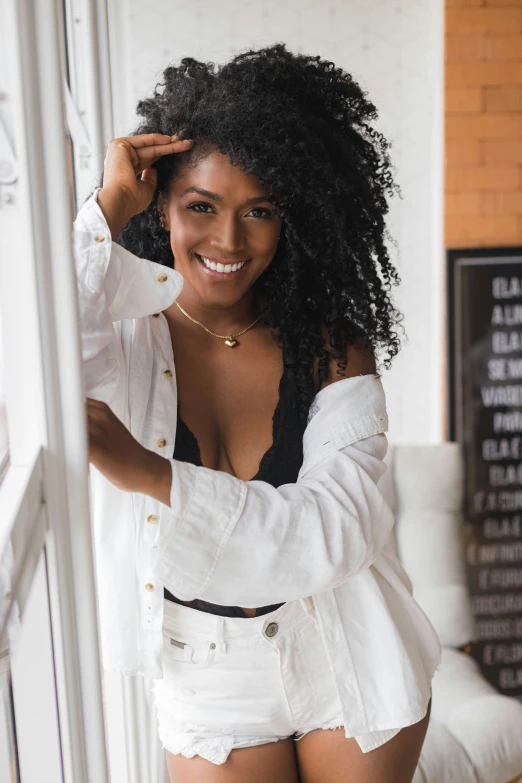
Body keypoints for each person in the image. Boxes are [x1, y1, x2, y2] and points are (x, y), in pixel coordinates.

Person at [78, 44, 441, 783]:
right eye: (201, 206)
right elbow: (25, 347)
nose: (229, 241)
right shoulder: (126, 339)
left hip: (347, 641)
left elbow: (335, 533)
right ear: (162, 206)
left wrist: (153, 474)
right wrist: (104, 208)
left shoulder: (332, 350)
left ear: (292, 218)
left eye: (261, 211)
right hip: (204, 669)